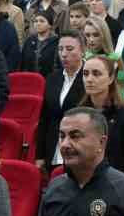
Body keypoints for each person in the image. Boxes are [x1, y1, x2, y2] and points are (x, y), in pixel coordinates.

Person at [78, 54, 124, 182]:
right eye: (85, 74)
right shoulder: (76, 116)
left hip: (116, 188)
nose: (89, 79)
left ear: (111, 78)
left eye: (96, 74)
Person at [36, 32, 87, 171]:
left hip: (80, 149)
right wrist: (39, 155)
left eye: (70, 49)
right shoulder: (53, 78)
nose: (64, 54)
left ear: (83, 51)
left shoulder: (89, 77)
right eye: (60, 49)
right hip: (54, 149)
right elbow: (44, 118)